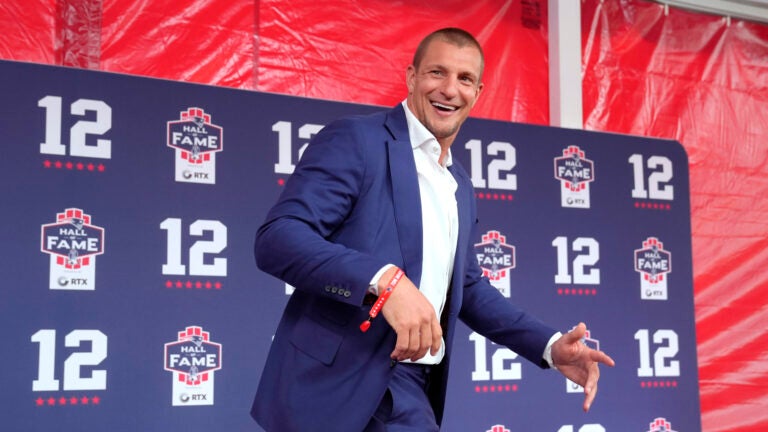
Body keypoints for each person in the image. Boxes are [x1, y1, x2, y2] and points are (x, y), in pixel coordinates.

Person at [251, 27, 615, 431]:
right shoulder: (357, 140)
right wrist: (383, 281)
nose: (449, 89)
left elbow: (469, 288)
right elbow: (278, 239)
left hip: (407, 384)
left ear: (478, 92)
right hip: (331, 383)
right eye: (436, 73)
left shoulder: (458, 183)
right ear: (411, 77)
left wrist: (548, 346)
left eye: (464, 79)